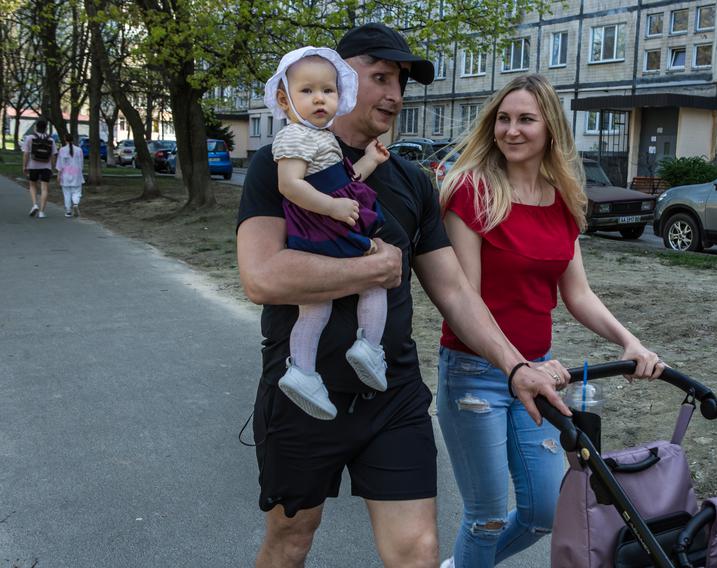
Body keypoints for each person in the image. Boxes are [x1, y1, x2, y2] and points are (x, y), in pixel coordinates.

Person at [236, 23, 571, 568]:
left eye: (403, 83)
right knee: (291, 541)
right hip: (305, 391)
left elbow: (456, 291)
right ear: (342, 79)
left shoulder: (413, 181)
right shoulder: (281, 162)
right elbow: (262, 277)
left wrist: (515, 367)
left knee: (418, 550)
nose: (395, 95)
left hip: (392, 394)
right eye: (382, 78)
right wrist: (371, 271)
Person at [435, 73, 665, 568]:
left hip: (537, 375)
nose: (511, 130)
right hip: (475, 372)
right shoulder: (470, 191)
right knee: (487, 517)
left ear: (551, 129)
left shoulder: (562, 199)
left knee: (543, 511)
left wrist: (631, 342)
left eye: (525, 119)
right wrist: (522, 365)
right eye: (503, 119)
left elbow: (577, 293)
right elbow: (464, 299)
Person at [263, 46, 391, 420]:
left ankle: (304, 371)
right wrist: (333, 208)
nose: (320, 98)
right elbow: (290, 186)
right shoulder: (292, 137)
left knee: (317, 306)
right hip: (322, 226)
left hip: (328, 221)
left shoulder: (322, 137)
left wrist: (370, 160)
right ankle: (367, 347)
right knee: (372, 280)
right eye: (307, 91)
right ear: (285, 101)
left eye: (328, 90)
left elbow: (344, 180)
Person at [22, 118, 57, 219]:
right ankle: (42, 212)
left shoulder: (30, 138)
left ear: (36, 127)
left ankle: (34, 205)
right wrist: (52, 167)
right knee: (44, 188)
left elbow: (26, 153)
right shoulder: (51, 139)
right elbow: (53, 155)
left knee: (32, 185)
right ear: (46, 128)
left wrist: (24, 166)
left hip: (33, 166)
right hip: (46, 166)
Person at [55, 133, 84, 218]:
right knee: (77, 191)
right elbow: (81, 163)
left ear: (65, 139)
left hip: (65, 174)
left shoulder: (62, 150)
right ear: (73, 139)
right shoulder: (79, 150)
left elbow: (60, 164)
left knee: (67, 193)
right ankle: (75, 203)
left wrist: (58, 175)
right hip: (76, 174)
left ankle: (68, 211)